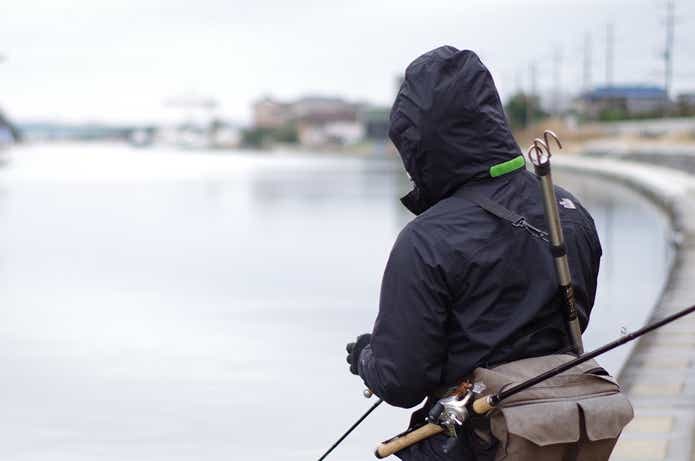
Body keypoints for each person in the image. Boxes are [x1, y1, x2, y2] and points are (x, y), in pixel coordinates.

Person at [345, 46, 602, 460]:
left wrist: (366, 356)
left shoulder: (426, 240)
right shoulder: (569, 214)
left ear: (418, 143)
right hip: (564, 440)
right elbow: (569, 321)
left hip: (475, 445)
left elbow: (402, 381)